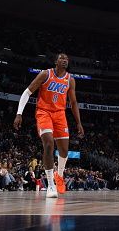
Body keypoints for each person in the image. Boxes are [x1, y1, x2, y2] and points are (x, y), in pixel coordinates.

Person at [13, 53, 84, 199]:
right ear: (55, 61)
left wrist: (79, 122)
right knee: (49, 144)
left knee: (64, 150)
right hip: (43, 112)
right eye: (61, 58)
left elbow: (74, 102)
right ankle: (51, 184)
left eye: (66, 59)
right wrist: (19, 113)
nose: (64, 60)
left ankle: (60, 174)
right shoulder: (46, 74)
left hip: (60, 114)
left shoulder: (70, 80)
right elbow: (27, 92)